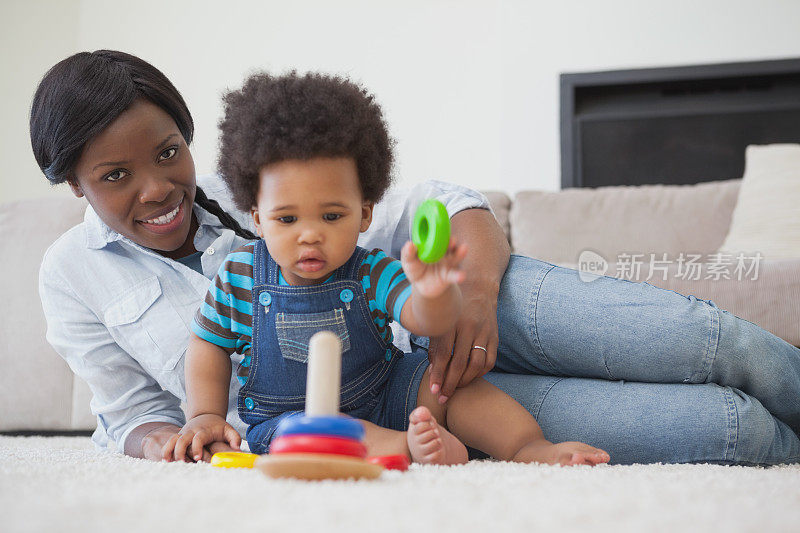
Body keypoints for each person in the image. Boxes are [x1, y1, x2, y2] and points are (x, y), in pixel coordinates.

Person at [32, 50, 800, 465]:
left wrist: (455, 284)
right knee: (732, 432)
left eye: (169, 152)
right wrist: (177, 431)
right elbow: (135, 410)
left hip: (462, 304)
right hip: (383, 406)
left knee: (712, 342)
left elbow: (419, 202)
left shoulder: (262, 178)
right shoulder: (75, 275)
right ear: (75, 182)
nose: (159, 187)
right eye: (115, 175)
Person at [166, 72, 612, 466]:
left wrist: (433, 290)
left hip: (387, 393)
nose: (310, 235)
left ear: (364, 215)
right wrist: (204, 414)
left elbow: (424, 319)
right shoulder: (240, 275)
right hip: (290, 420)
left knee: (450, 391)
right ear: (257, 217)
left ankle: (527, 447)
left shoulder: (371, 270)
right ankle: (407, 447)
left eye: (331, 216)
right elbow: (208, 344)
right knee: (303, 435)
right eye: (287, 219)